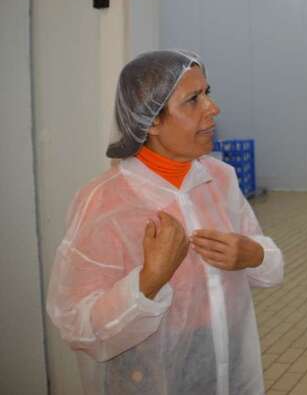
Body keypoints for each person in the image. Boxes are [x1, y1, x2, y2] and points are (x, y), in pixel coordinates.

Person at [47, 50, 284, 394]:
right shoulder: (104, 202)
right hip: (149, 375)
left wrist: (253, 255)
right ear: (152, 121)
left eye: (207, 93)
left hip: (230, 366)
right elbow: (77, 327)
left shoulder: (219, 178)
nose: (213, 108)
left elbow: (271, 268)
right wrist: (148, 282)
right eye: (193, 100)